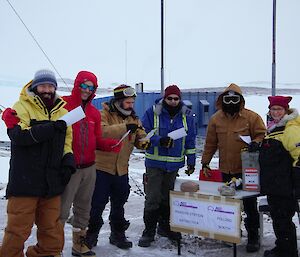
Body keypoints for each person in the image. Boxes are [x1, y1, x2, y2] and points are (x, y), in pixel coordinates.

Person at [0, 69, 75, 257]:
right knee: (17, 231)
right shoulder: (22, 106)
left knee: (51, 229)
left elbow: (67, 141)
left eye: (51, 86)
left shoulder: (64, 112)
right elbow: (19, 136)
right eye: (43, 85)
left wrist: (68, 161)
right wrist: (50, 128)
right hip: (25, 181)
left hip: (51, 182)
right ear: (35, 86)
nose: (47, 89)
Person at [59, 71, 121, 257]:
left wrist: (110, 145)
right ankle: (53, 247)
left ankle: (79, 245)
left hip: (89, 168)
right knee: (61, 210)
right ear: (77, 85)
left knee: (83, 209)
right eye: (83, 86)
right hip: (68, 168)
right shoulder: (63, 104)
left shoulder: (94, 112)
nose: (86, 90)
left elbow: (96, 140)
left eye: (91, 87)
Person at [201, 83, 266, 253]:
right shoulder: (216, 119)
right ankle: (231, 233)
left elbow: (262, 133)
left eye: (234, 99)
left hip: (247, 169)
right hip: (226, 170)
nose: (231, 102)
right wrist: (205, 162)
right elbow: (210, 143)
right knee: (228, 204)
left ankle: (253, 237)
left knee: (250, 204)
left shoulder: (251, 117)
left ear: (240, 100)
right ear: (222, 100)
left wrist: (256, 142)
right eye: (227, 99)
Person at [85, 84, 149, 250]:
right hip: (102, 169)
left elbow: (140, 136)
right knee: (97, 204)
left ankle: (117, 234)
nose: (130, 106)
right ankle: (91, 235)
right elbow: (101, 132)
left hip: (122, 170)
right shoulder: (103, 114)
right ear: (118, 101)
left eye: (132, 102)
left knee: (119, 204)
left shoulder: (133, 118)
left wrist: (144, 142)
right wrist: (125, 128)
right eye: (127, 102)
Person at [138, 85, 196, 247]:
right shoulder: (152, 112)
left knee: (168, 198)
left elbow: (190, 139)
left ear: (180, 99)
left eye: (176, 98)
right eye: (169, 98)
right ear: (164, 98)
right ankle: (149, 231)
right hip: (154, 164)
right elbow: (143, 134)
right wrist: (159, 140)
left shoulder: (187, 116)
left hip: (174, 165)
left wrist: (191, 160)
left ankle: (165, 227)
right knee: (153, 198)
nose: (172, 101)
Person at [259, 96, 300, 257]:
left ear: (286, 110)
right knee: (278, 218)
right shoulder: (274, 127)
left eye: (279, 109)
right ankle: (282, 247)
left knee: (283, 220)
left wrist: (297, 186)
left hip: (284, 185)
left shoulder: (290, 128)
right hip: (275, 184)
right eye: (273, 109)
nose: (276, 112)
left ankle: (288, 252)